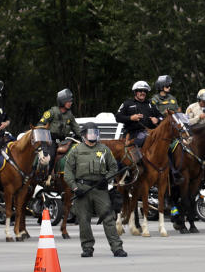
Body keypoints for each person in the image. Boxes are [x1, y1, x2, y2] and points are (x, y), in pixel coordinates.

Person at [65, 122, 127, 257]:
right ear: (84, 135)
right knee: (83, 219)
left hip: (100, 188)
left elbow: (113, 167)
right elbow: (68, 171)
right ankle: (87, 248)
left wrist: (106, 179)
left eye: (95, 133)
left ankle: (117, 247)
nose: (93, 135)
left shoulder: (104, 149)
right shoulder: (76, 150)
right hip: (82, 188)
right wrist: (75, 188)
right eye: (90, 133)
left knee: (108, 218)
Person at [117, 81, 162, 148]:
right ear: (135, 92)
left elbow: (162, 117)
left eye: (145, 91)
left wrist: (157, 120)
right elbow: (118, 117)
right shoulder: (128, 103)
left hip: (152, 133)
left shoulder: (151, 104)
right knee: (143, 137)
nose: (143, 93)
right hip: (133, 134)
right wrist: (131, 118)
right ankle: (136, 156)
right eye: (140, 91)